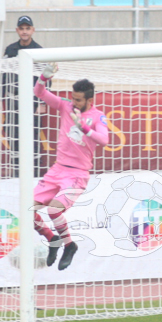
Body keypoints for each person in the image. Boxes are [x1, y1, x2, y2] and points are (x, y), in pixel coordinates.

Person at [31, 63, 109, 270]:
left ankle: (69, 245)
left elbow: (104, 139)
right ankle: (52, 239)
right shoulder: (65, 106)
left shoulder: (97, 116)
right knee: (27, 209)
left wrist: (83, 127)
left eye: (78, 100)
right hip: (57, 170)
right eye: (73, 98)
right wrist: (43, 77)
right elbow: (39, 92)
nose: (74, 102)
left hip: (76, 175)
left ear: (89, 100)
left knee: (54, 210)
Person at [0, 15, 48, 177]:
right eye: (22, 28)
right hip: (13, 100)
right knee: (13, 135)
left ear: (33, 30)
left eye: (27, 28)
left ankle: (35, 175)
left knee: (33, 137)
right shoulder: (10, 50)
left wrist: (42, 102)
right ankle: (17, 175)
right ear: (17, 30)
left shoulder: (39, 51)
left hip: (32, 100)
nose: (25, 32)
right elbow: (3, 74)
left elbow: (45, 77)